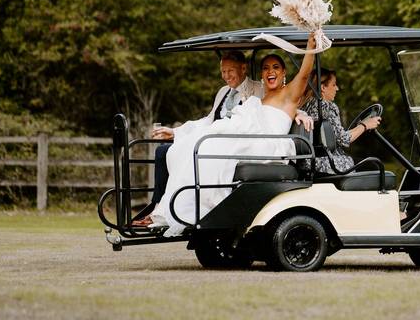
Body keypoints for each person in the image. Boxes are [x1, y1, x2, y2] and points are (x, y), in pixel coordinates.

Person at [150, 36, 319, 236]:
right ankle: (179, 205)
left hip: (267, 143)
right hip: (253, 136)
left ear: (283, 72)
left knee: (214, 147)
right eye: (265, 68)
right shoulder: (264, 95)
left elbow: (304, 73)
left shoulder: (289, 93)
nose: (270, 71)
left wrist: (310, 46)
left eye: (275, 67)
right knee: (195, 145)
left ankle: (202, 206)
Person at [132, 52, 264, 227]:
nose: (226, 76)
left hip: (234, 144)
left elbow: (272, 109)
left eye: (230, 70)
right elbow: (209, 120)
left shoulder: (258, 89)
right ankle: (158, 205)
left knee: (189, 152)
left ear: (243, 68)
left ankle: (169, 211)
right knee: (164, 151)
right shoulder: (223, 92)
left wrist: (299, 113)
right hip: (212, 138)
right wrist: (175, 132)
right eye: (223, 71)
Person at [301, 68, 381, 174]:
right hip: (327, 162)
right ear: (323, 87)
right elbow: (344, 140)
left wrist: (360, 126)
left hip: (309, 161)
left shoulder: (304, 105)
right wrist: (365, 125)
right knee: (374, 166)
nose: (337, 88)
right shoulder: (326, 106)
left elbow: (339, 136)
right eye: (334, 85)